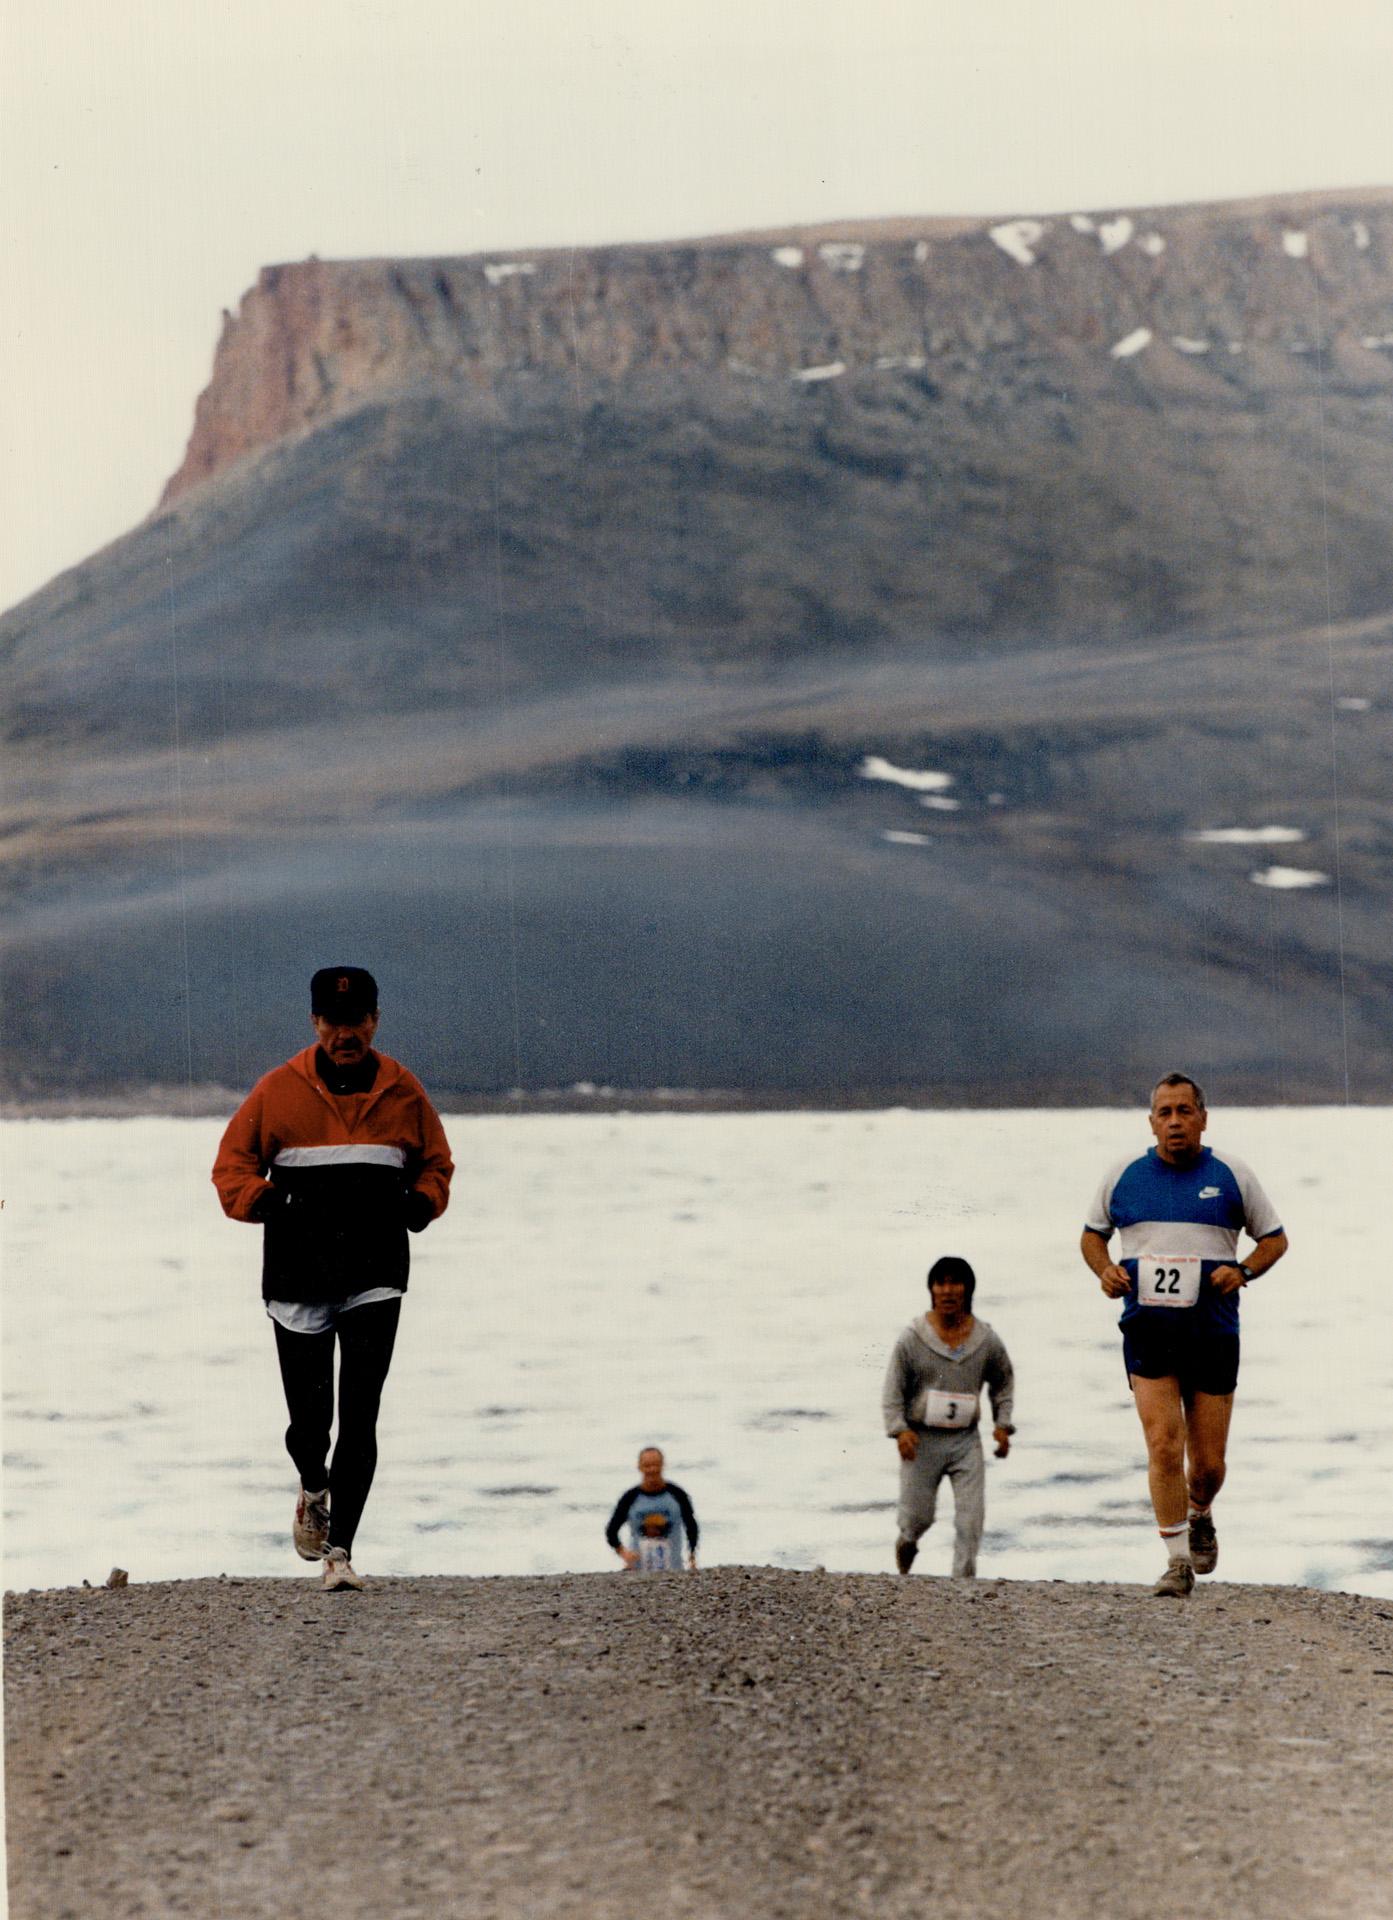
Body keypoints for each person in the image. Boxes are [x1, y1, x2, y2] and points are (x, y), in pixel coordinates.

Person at [212, 967, 453, 1591]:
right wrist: (272, 1205)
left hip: (375, 1272)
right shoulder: (277, 1092)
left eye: (358, 1021)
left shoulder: (404, 1090)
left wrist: (420, 1205)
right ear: (315, 1022)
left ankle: (339, 1553)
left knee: (362, 1415)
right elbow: (230, 1168)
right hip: (297, 1276)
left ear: (376, 1019)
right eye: (334, 1022)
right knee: (310, 1423)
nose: (346, 1034)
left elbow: (437, 1163)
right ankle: (313, 1485)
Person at [1080, 1071, 1287, 1599]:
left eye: (1184, 1111)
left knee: (1209, 1465)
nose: (1175, 1122)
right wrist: (1104, 1271)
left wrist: (1243, 1271)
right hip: (1147, 1330)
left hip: (1214, 1333)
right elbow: (1091, 1237)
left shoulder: (1232, 1174)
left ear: (1202, 1118)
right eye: (1164, 1113)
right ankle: (1176, 1563)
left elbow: (1275, 1240)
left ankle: (1201, 1512)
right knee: (1163, 1445)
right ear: (1151, 1122)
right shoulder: (1123, 1176)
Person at [881, 1256, 1015, 1579]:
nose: (948, 1291)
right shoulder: (913, 1338)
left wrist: (1002, 1424)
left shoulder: (986, 1340)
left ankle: (962, 1585)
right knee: (917, 1517)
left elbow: (1003, 1380)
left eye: (955, 1282)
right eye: (941, 1283)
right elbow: (893, 1390)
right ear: (931, 1290)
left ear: (968, 1289)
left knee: (971, 1519)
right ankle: (906, 1544)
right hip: (922, 1439)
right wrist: (899, 1431)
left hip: (965, 1441)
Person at [605, 1448, 699, 1572]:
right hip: (638, 1570)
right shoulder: (630, 1497)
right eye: (647, 1465)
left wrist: (692, 1555)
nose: (652, 1469)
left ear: (663, 1465)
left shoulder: (677, 1494)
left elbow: (691, 1526)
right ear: (639, 1467)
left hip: (673, 1569)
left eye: (656, 1465)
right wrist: (623, 1553)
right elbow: (611, 1531)